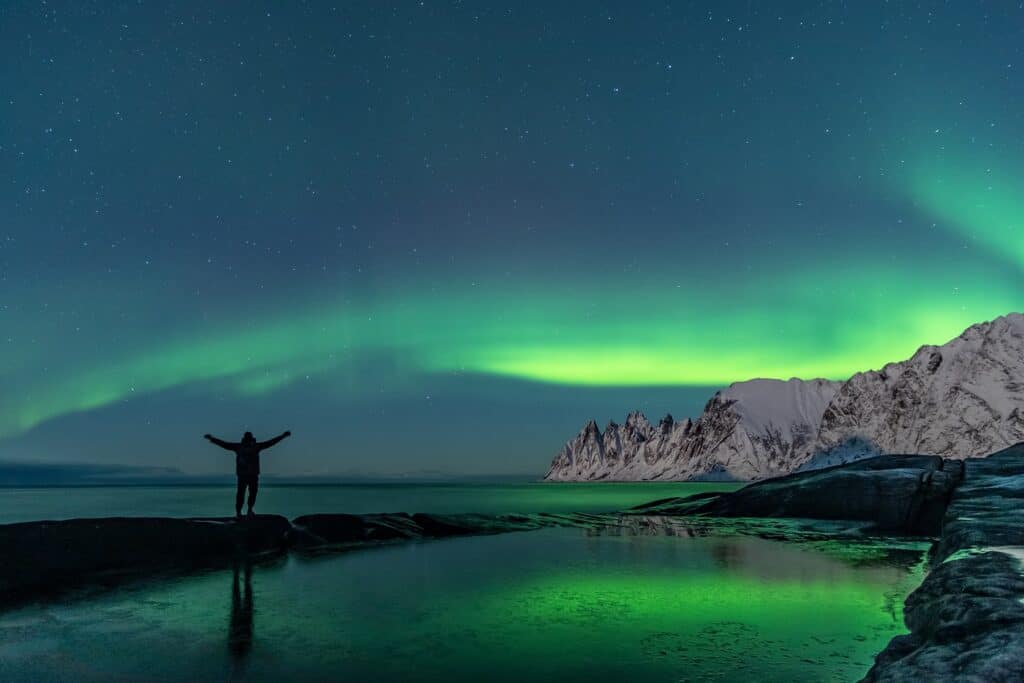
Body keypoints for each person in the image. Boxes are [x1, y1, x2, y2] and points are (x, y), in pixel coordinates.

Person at [204, 430, 291, 517]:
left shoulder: (256, 446)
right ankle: (239, 512)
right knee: (241, 494)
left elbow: (271, 442)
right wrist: (212, 439)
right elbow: (224, 444)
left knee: (252, 493)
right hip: (243, 475)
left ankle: (248, 510)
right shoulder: (239, 447)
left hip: (252, 474)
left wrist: (282, 436)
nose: (248, 441)